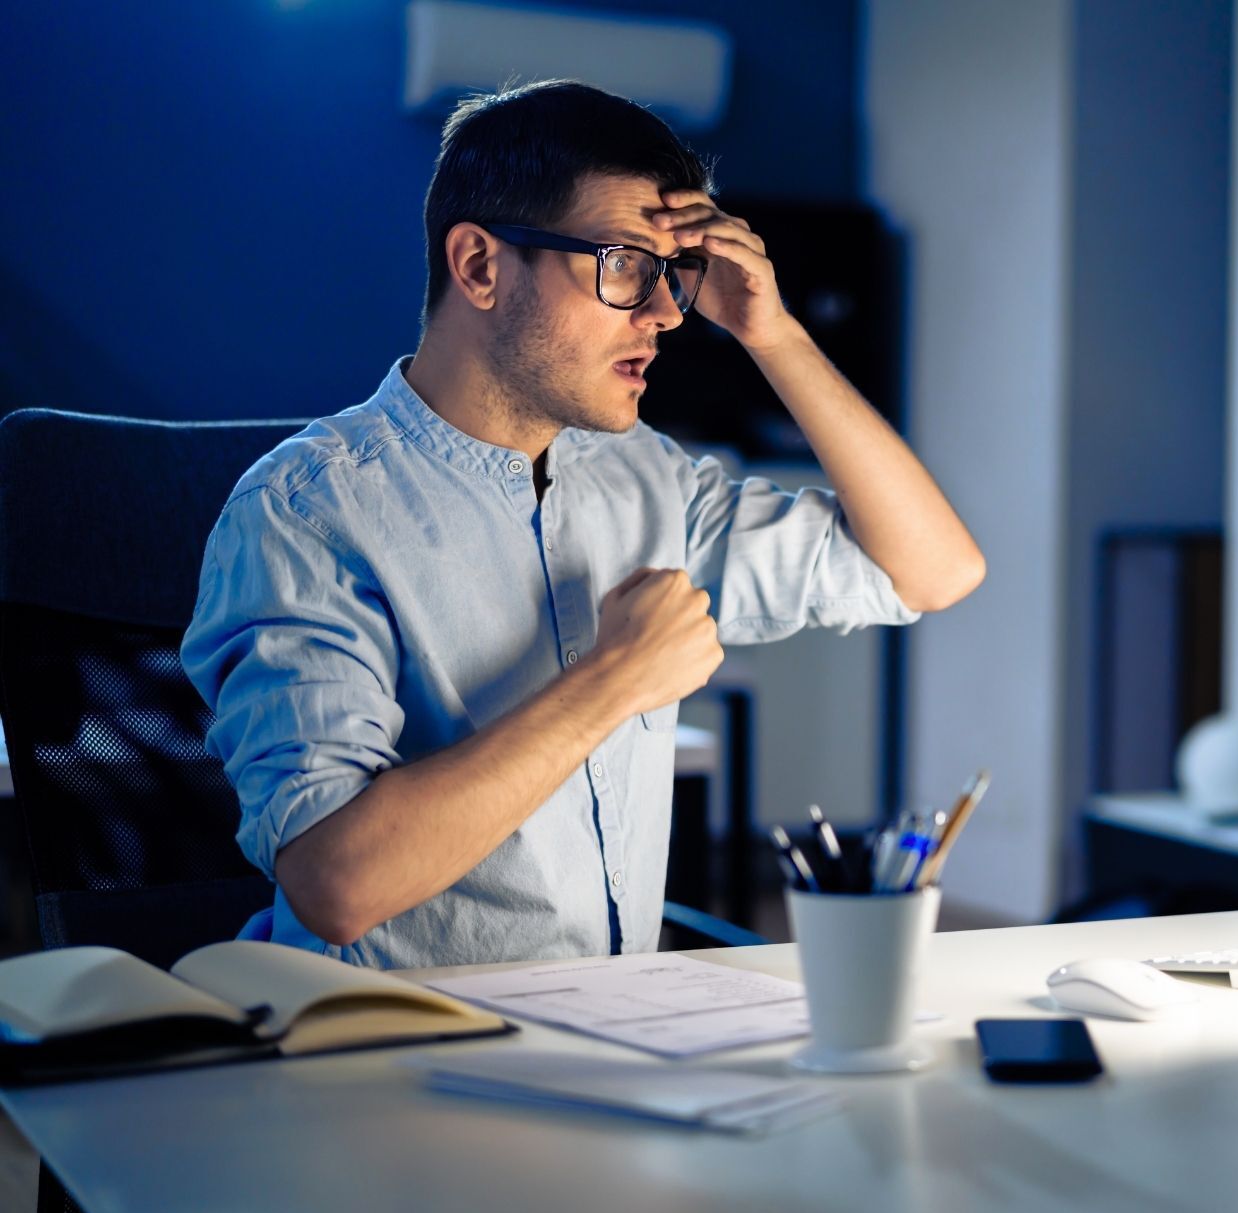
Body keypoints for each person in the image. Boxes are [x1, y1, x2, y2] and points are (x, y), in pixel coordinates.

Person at [182, 80, 985, 968]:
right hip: (390, 1060)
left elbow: (933, 570)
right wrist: (614, 679)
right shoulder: (302, 512)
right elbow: (336, 885)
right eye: (624, 264)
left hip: (614, 1039)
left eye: (672, 273)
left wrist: (774, 334)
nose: (668, 313)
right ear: (480, 266)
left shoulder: (647, 474)